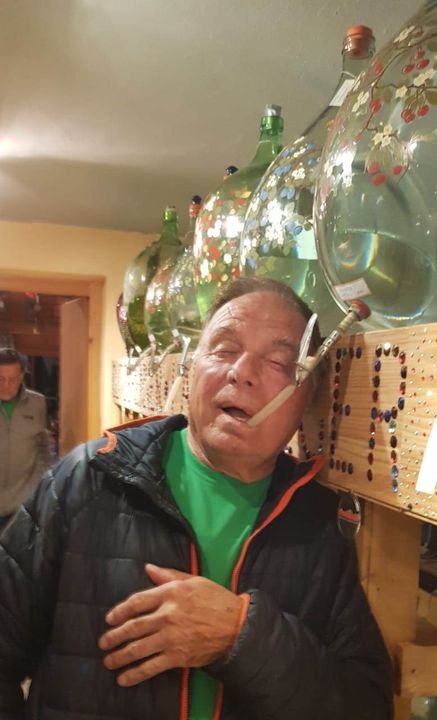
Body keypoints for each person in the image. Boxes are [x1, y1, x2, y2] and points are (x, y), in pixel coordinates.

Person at [0, 278, 393, 719]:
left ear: (309, 397)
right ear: (192, 368)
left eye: (279, 362)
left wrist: (241, 637)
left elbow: (366, 706)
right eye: (224, 349)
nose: (242, 371)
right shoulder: (88, 479)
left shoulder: (320, 525)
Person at [0, 347, 52, 533]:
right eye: (0, 379)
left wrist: (39, 488)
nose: (6, 385)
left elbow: (44, 448)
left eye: (12, 379)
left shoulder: (37, 403)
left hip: (22, 506)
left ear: (22, 376)